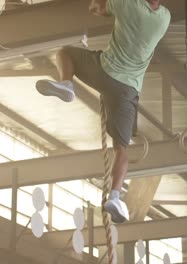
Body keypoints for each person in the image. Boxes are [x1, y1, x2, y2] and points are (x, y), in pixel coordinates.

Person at [35, 0, 171, 223]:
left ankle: (67, 84)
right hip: (127, 90)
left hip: (105, 72)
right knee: (122, 149)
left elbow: (99, 8)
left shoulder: (128, 5)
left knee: (65, 53)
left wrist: (95, 7)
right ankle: (115, 196)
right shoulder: (164, 18)